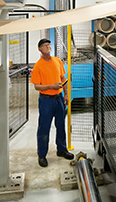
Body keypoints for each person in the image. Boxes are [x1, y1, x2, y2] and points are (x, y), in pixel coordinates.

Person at [31, 38, 74, 167]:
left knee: (61, 125)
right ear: (39, 49)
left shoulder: (57, 61)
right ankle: (42, 155)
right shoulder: (38, 66)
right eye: (45, 46)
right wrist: (51, 86)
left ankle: (61, 150)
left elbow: (63, 78)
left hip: (59, 98)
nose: (48, 47)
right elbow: (37, 86)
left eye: (49, 45)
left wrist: (66, 94)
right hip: (46, 101)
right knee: (44, 127)